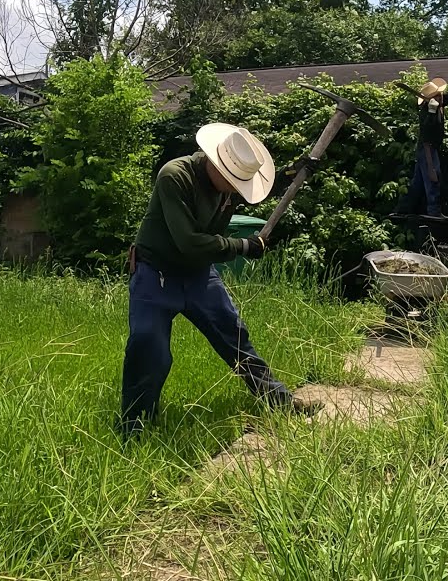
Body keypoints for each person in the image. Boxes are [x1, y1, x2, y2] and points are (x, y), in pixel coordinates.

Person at [120, 123, 321, 436]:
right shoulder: (175, 176)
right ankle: (135, 426)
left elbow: (256, 190)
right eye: (233, 181)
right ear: (215, 162)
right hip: (155, 274)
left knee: (235, 336)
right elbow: (189, 241)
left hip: (198, 273)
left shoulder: (228, 185)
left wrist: (289, 174)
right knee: (148, 345)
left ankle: (279, 401)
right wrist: (244, 246)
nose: (236, 190)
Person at [399, 78, 448, 218]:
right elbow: (426, 129)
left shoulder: (440, 103)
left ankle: (403, 209)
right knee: (433, 177)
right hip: (427, 149)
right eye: (438, 94)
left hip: (431, 147)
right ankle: (434, 211)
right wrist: (431, 112)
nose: (441, 96)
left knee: (417, 183)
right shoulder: (426, 111)